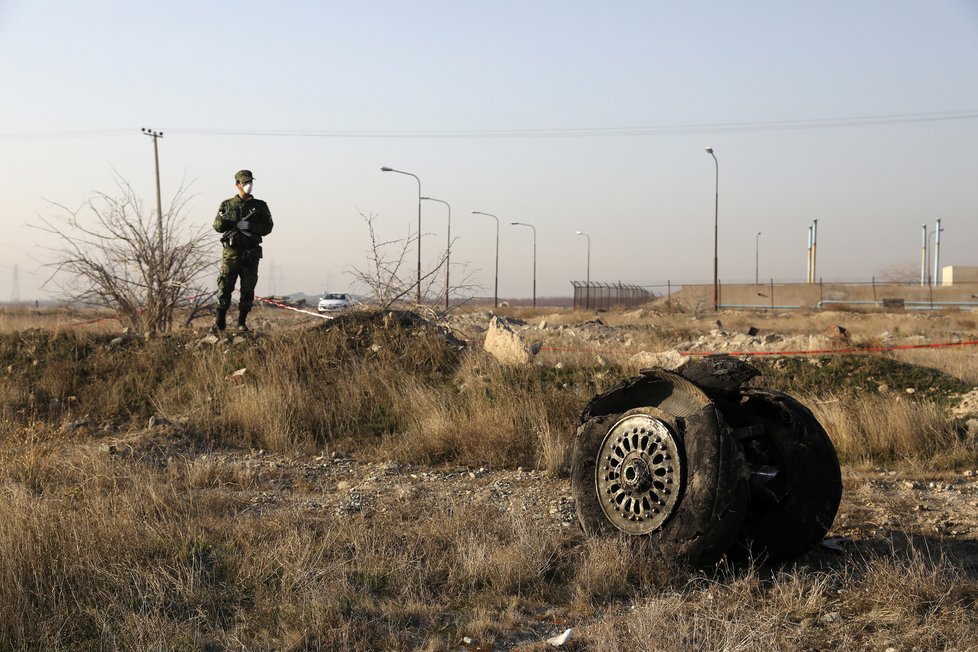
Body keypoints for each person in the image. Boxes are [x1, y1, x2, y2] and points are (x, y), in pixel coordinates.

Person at [213, 169, 273, 331]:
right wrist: (224, 220)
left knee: (248, 288)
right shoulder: (227, 205)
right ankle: (220, 322)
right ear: (237, 184)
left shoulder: (259, 206)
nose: (248, 185)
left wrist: (250, 226)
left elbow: (268, 227)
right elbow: (217, 227)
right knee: (225, 286)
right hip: (231, 253)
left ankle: (241, 323)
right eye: (245, 182)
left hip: (251, 253)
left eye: (250, 182)